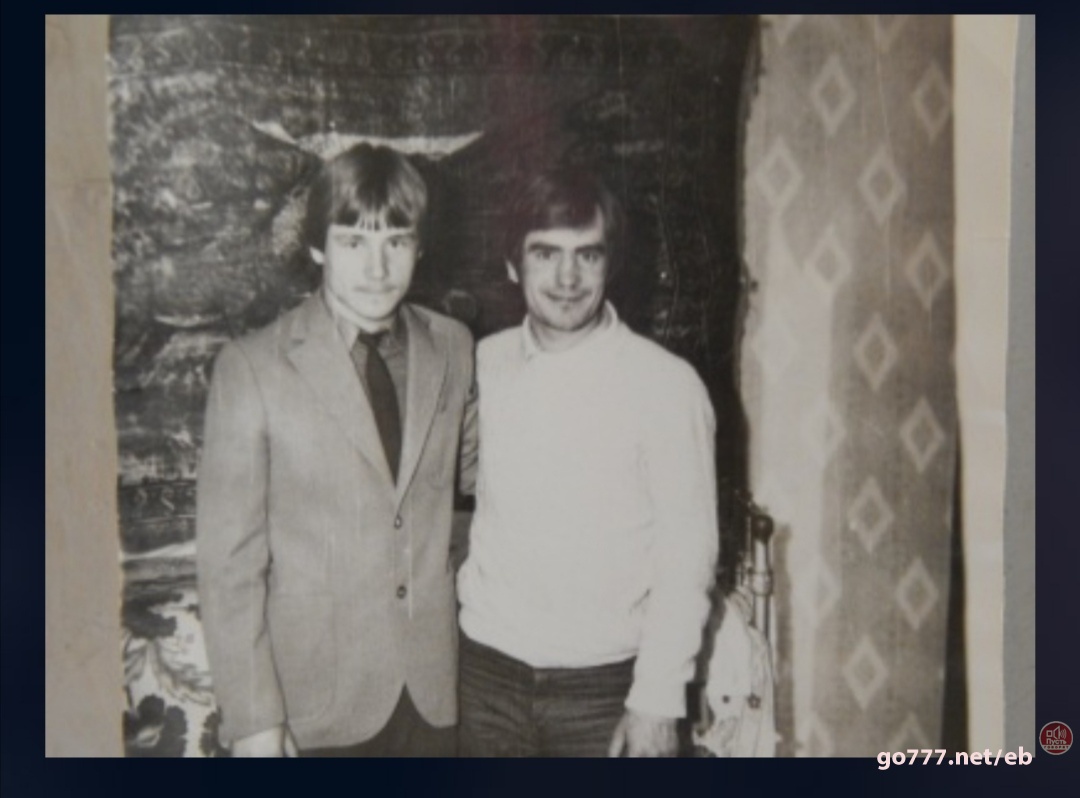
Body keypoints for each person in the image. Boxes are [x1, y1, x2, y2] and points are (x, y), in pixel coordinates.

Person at [196, 143, 478, 757]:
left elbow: (484, 475)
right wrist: (254, 721)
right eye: (353, 241)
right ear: (318, 247)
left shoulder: (454, 346)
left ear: (420, 248)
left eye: (396, 241)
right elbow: (228, 566)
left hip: (433, 696)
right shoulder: (251, 368)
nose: (377, 268)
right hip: (314, 709)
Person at [456, 169, 720, 757]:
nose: (567, 278)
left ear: (610, 264)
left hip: (605, 692)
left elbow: (688, 555)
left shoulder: (666, 386)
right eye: (546, 254)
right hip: (485, 681)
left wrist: (656, 699)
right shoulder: (482, 365)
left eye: (588, 255)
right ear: (513, 265)